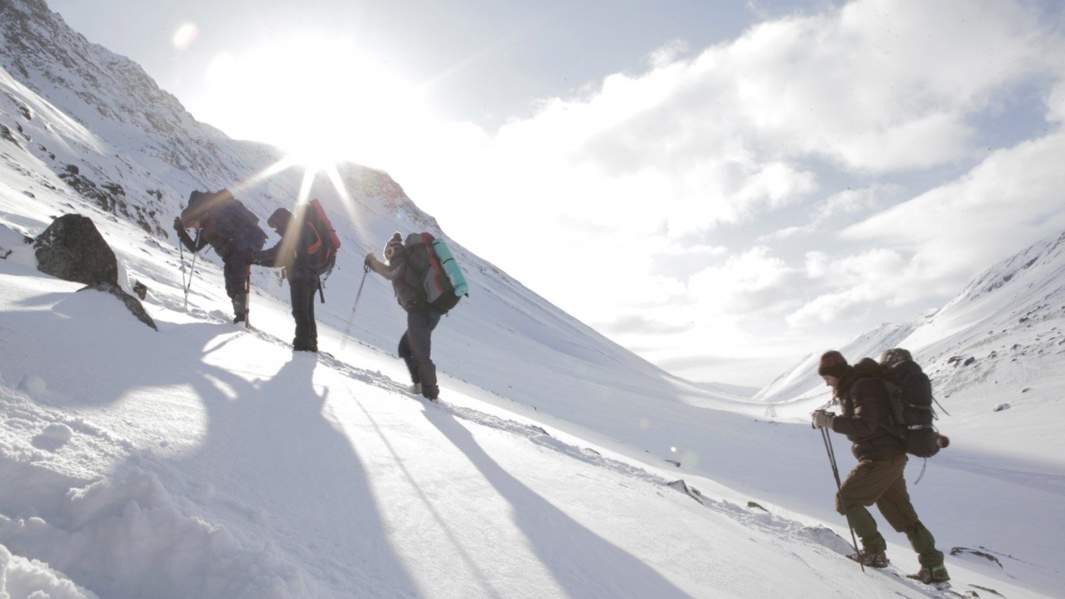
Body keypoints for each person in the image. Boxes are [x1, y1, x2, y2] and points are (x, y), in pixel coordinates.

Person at [812, 350, 950, 584]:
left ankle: (874, 552)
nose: (826, 383)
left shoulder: (862, 386)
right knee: (902, 514)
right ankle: (934, 566)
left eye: (826, 377)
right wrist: (833, 418)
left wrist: (831, 422)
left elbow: (866, 425)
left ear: (835, 373)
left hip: (880, 458)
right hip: (890, 457)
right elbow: (872, 420)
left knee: (847, 499)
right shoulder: (858, 385)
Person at [365, 233, 443, 401]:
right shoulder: (410, 257)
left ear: (390, 248)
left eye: (387, 252)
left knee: (420, 352)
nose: (387, 256)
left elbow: (391, 272)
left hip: (420, 310)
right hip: (428, 310)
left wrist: (372, 262)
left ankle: (430, 393)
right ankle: (419, 385)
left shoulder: (398, 253)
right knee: (406, 348)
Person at [174, 190, 266, 323]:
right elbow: (195, 247)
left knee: (235, 282)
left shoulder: (214, 218)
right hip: (242, 247)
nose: (195, 228)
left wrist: (181, 231)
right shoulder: (208, 224)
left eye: (194, 224)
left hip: (242, 247)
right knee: (232, 283)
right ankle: (241, 317)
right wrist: (181, 231)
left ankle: (241, 319)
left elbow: (196, 246)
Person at [255, 208, 321, 352]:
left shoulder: (294, 233)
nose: (277, 231)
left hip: (301, 278)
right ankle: (311, 343)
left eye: (276, 227)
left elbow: (275, 253)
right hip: (312, 277)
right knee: (307, 312)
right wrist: (257, 260)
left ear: (282, 221)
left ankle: (302, 345)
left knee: (300, 311)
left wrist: (254, 256)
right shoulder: (301, 231)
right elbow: (279, 259)